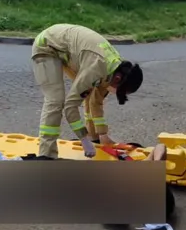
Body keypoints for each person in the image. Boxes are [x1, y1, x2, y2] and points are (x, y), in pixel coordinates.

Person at [31, 24, 143, 160]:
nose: (115, 94)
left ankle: (93, 136)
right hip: (47, 47)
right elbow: (70, 106)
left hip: (69, 51)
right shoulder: (97, 68)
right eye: (119, 92)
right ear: (118, 78)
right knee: (56, 100)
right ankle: (46, 155)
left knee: (87, 92)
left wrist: (101, 136)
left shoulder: (114, 68)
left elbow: (96, 101)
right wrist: (84, 140)